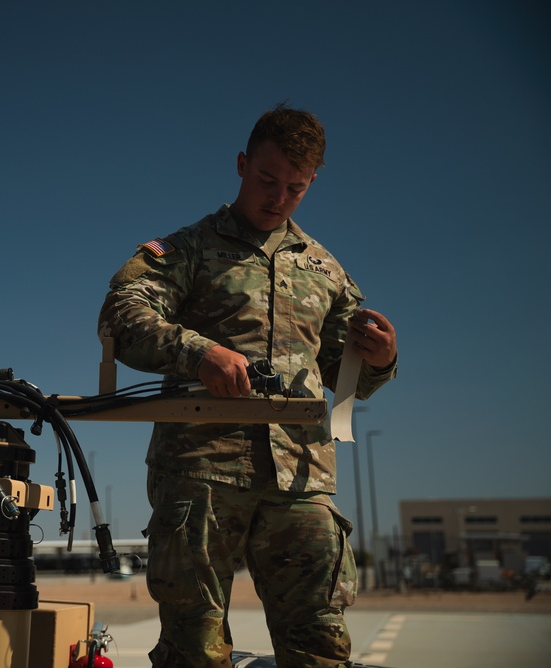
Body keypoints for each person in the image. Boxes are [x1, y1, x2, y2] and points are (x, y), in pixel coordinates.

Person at [97, 103, 398, 668]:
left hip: (302, 479)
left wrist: (380, 358)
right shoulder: (186, 250)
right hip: (202, 472)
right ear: (241, 165)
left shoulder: (326, 271)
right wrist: (198, 352)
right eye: (266, 180)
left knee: (320, 641)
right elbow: (121, 312)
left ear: (312, 184)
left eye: (295, 187)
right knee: (195, 644)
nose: (278, 197)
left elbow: (342, 372)